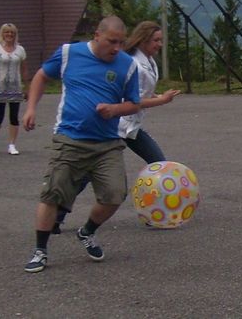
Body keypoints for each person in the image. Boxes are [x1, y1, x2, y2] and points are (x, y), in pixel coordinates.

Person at [21, 16, 140, 273]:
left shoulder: (128, 65)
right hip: (70, 138)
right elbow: (41, 76)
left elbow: (134, 103)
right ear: (97, 35)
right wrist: (31, 108)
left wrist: (115, 109)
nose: (117, 48)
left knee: (115, 194)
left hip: (107, 144)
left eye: (121, 42)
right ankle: (40, 250)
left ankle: (87, 231)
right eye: (112, 41)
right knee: (52, 194)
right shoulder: (68, 53)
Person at [52, 21, 181, 233]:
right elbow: (132, 101)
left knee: (158, 164)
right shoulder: (134, 63)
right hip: (119, 125)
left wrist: (158, 96)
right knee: (88, 175)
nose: (160, 44)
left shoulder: (148, 61)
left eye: (160, 40)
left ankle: (155, 211)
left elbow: (141, 93)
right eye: (156, 40)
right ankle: (55, 217)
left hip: (131, 127)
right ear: (144, 40)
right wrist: (162, 100)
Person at [0, 23, 28, 155]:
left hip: (15, 88)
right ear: (2, 34)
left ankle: (12, 144)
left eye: (12, 32)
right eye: (7, 32)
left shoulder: (20, 50)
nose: (9, 34)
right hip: (0, 87)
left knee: (14, 117)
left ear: (15, 34)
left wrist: (27, 87)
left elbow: (24, 69)